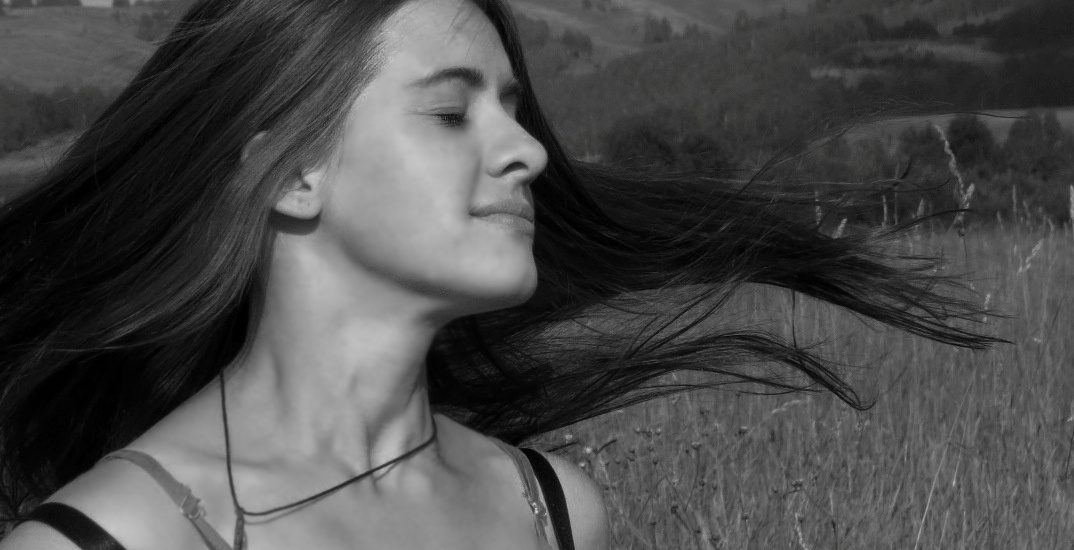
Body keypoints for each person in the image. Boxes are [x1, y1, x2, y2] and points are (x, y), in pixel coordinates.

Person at [0, 0, 996, 548]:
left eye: (513, 109)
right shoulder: (116, 539)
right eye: (451, 112)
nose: (528, 150)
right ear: (291, 173)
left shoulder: (553, 512)